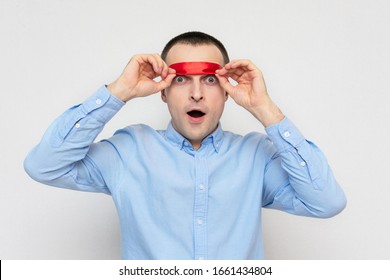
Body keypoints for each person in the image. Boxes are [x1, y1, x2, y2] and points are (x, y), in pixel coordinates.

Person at [24, 31, 346, 260]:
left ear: (226, 92)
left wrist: (265, 108)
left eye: (209, 80)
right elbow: (44, 165)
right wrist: (118, 91)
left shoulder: (255, 158)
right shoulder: (128, 151)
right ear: (162, 91)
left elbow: (327, 201)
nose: (196, 94)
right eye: (181, 79)